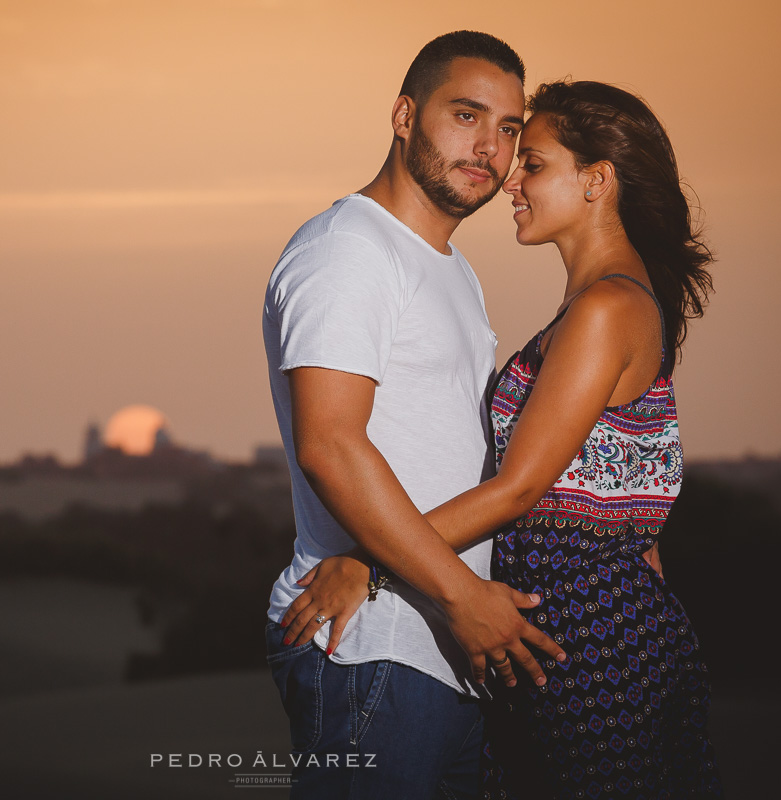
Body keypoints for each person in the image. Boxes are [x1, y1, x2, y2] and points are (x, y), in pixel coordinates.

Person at [283, 80, 723, 798]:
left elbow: (521, 488)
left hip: (582, 644)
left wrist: (372, 564)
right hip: (587, 634)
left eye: (535, 163)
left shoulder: (607, 308)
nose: (510, 177)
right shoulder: (611, 301)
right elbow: (628, 511)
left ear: (596, 181)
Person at [262, 31, 565, 798]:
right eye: (466, 115)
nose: (489, 148)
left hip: (443, 654)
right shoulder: (348, 251)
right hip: (372, 648)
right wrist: (465, 600)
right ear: (404, 116)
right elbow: (330, 443)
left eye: (507, 129)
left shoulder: (451, 268)